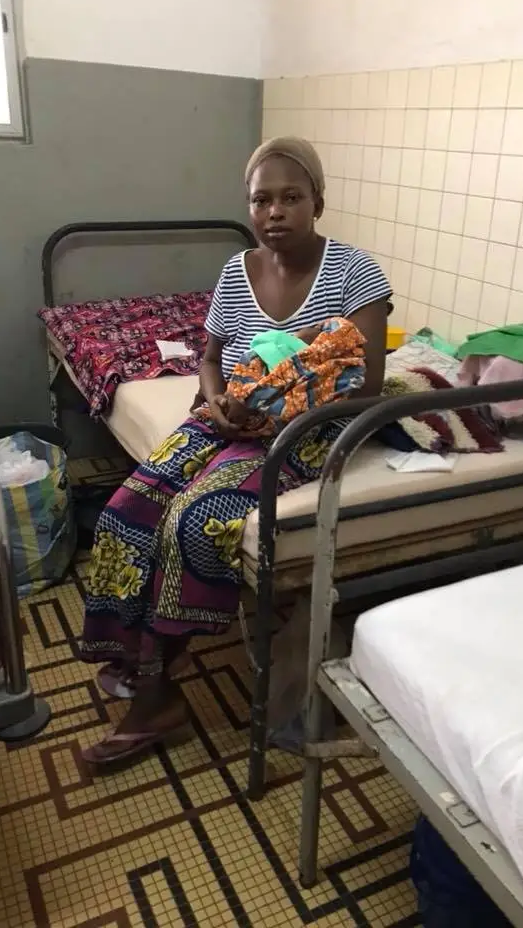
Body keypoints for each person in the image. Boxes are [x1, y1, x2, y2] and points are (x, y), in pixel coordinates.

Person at [78, 136, 392, 769]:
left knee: (193, 519)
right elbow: (211, 358)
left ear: (318, 202)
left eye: (291, 197)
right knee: (126, 508)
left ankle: (155, 696)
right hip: (230, 416)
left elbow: (367, 383)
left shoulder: (355, 273)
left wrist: (282, 409)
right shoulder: (236, 271)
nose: (274, 211)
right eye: (260, 200)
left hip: (305, 429)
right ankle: (140, 657)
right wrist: (217, 400)